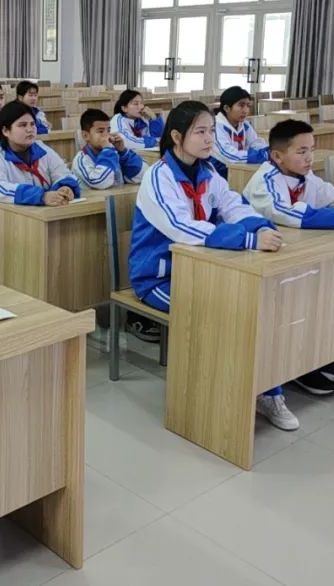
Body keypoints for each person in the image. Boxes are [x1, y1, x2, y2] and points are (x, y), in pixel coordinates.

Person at [128, 102, 294, 428]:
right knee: (225, 312)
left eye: (212, 131)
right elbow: (182, 228)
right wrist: (248, 240)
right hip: (161, 276)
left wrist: (260, 227)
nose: (209, 139)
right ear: (177, 137)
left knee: (257, 303)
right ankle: (213, 401)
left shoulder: (208, 172)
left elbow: (234, 205)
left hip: (205, 267)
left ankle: (267, 390)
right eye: (200, 132)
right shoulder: (158, 177)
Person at [243, 118, 334, 396]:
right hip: (260, 265)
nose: (309, 158)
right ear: (277, 156)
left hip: (297, 254)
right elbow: (287, 213)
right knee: (301, 302)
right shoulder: (264, 181)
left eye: (312, 150)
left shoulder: (306, 179)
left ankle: (327, 355)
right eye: (301, 151)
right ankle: (300, 365)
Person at [0, 101, 80, 261]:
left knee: (61, 248)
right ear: (5, 130)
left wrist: (65, 187)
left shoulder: (42, 149)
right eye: (22, 125)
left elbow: (63, 172)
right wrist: (42, 196)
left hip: (31, 217)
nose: (30, 129)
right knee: (21, 259)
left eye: (32, 124)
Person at [72, 108, 146, 189]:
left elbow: (142, 175)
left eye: (108, 130)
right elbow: (100, 183)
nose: (106, 135)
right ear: (85, 136)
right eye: (100, 131)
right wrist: (107, 150)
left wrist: (123, 152)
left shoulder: (114, 153)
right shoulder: (82, 160)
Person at [210, 86, 269, 177]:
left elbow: (255, 143)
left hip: (238, 168)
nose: (246, 110)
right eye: (241, 105)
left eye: (248, 106)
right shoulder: (215, 126)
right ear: (226, 108)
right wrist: (260, 156)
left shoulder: (244, 124)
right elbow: (229, 156)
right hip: (218, 172)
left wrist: (269, 150)